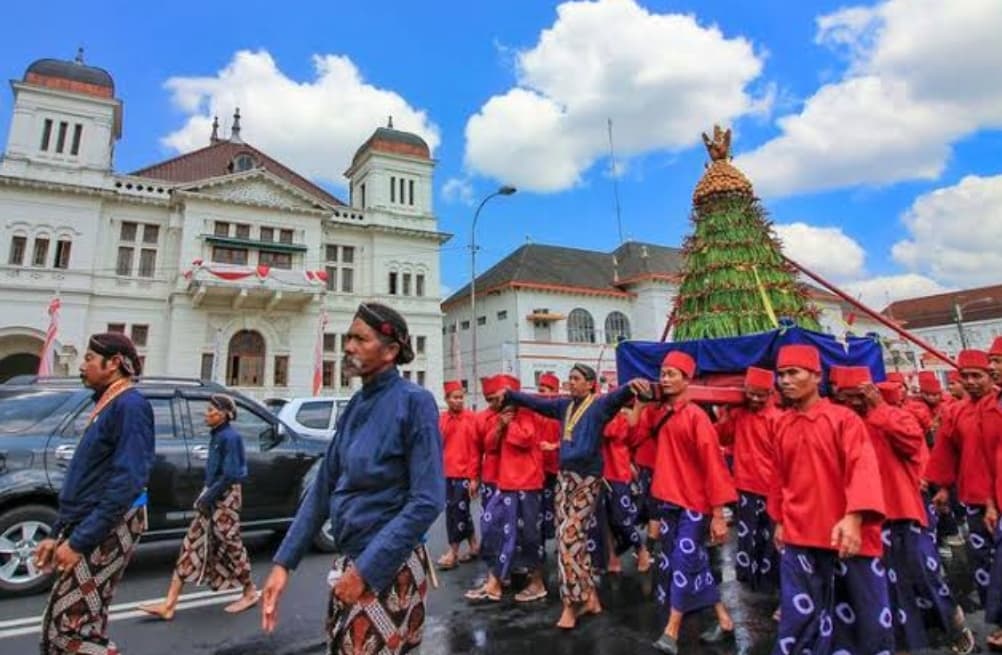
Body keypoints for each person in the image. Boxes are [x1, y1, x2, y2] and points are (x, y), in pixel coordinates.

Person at [261, 303, 445, 654]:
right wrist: (284, 564)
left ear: (390, 351)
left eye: (360, 338)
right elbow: (323, 489)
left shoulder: (415, 403)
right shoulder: (355, 406)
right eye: (348, 337)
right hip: (352, 560)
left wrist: (367, 571)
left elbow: (428, 499)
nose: (348, 346)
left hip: (390, 565)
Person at [839, 368, 975, 653]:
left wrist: (879, 409)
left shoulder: (892, 416)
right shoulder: (840, 423)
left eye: (857, 397)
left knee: (924, 573)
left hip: (903, 509)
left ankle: (954, 623)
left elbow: (913, 441)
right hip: (866, 516)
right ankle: (904, 640)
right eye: (845, 397)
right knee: (888, 584)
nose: (852, 403)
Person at [768, 344, 893, 655]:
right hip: (799, 535)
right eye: (781, 374)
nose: (785, 380)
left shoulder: (844, 420)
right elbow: (779, 480)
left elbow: (862, 468)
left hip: (846, 537)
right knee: (799, 618)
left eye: (793, 373)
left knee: (863, 619)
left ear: (816, 376)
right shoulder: (781, 424)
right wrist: (780, 521)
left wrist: (854, 517)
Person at [35, 332, 155, 654]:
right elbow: (85, 479)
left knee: (68, 628)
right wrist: (59, 533)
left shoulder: (131, 405)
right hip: (90, 521)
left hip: (112, 524)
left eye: (89, 358)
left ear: (114, 363)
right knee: (77, 621)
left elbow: (126, 482)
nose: (82, 365)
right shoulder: (108, 403)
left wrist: (80, 541)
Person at [502, 363, 645, 630]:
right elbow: (534, 402)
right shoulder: (563, 406)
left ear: (590, 383)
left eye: (576, 378)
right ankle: (590, 598)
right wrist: (512, 395)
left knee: (569, 538)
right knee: (569, 538)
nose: (571, 382)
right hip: (564, 478)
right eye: (570, 378)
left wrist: (630, 385)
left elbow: (618, 397)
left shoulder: (600, 406)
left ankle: (572, 605)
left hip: (587, 480)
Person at [649, 351, 737, 655]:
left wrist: (718, 514)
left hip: (694, 505)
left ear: (688, 380)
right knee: (693, 562)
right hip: (669, 501)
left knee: (682, 566)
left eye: (673, 373)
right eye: (663, 373)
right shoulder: (660, 414)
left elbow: (714, 466)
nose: (665, 378)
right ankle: (724, 619)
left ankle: (671, 630)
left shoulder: (697, 418)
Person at [140, 394, 257, 620]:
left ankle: (250, 590)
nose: (207, 414)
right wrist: (207, 494)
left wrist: (208, 496)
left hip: (226, 497)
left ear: (224, 415)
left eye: (211, 410)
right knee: (191, 544)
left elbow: (231, 474)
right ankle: (169, 604)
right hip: (213, 493)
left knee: (229, 542)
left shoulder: (230, 438)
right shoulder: (217, 436)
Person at [925, 349, 997, 609]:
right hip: (974, 498)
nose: (970, 382)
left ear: (990, 376)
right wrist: (943, 487)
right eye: (965, 376)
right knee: (984, 563)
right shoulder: (956, 413)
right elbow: (945, 452)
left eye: (977, 376)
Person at [466, 374, 547, 603]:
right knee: (495, 528)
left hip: (527, 481)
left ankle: (536, 582)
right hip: (506, 482)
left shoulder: (527, 412)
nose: (494, 404)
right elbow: (489, 447)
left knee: (529, 535)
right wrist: (501, 425)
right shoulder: (496, 417)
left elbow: (525, 439)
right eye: (490, 399)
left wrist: (509, 423)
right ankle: (496, 581)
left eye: (498, 398)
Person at [715, 366, 782, 594]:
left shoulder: (778, 419)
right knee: (747, 534)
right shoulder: (739, 414)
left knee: (771, 538)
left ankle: (771, 583)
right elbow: (722, 436)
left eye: (760, 395)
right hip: (746, 486)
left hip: (772, 488)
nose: (754, 398)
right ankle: (748, 577)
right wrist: (725, 414)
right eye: (750, 393)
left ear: (771, 393)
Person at [437, 380, 479, 570]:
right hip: (447, 472)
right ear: (446, 399)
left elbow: (475, 450)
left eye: (461, 397)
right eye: (454, 397)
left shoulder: (471, 419)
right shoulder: (442, 419)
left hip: (464, 474)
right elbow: (438, 444)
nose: (459, 401)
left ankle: (452, 552)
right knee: (460, 512)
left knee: (456, 513)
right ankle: (474, 545)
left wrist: (473, 478)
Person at [599, 399, 643, 574]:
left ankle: (641, 549)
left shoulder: (619, 417)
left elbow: (612, 432)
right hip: (600, 473)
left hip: (618, 473)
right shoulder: (608, 415)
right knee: (606, 521)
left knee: (621, 519)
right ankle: (612, 555)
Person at [536, 373, 562, 545]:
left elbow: (571, 437)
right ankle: (540, 545)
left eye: (544, 390)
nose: (541, 394)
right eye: (540, 390)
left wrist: (554, 445)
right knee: (539, 509)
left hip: (557, 468)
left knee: (557, 508)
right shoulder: (536, 412)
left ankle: (561, 542)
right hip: (538, 469)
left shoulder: (561, 412)